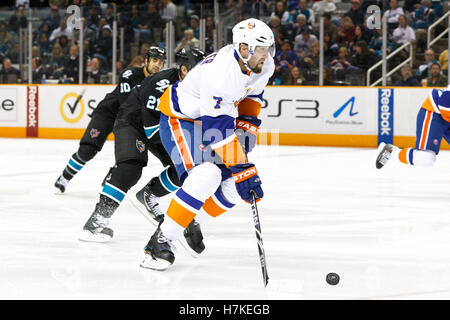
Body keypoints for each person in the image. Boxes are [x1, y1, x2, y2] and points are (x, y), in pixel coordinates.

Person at [140, 18, 274, 271]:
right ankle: (160, 241)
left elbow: (253, 94)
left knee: (236, 185)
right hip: (182, 119)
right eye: (261, 50)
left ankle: (185, 221)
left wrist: (247, 128)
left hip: (212, 121)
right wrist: (242, 166)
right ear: (244, 48)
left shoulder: (262, 65)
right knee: (207, 174)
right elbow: (217, 130)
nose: (266, 56)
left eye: (269, 49)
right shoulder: (220, 72)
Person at [79, 47, 207, 244]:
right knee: (130, 167)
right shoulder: (162, 84)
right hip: (132, 122)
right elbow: (151, 129)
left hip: (161, 127)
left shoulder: (197, 87)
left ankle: (149, 194)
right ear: (183, 69)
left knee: (185, 170)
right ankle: (96, 222)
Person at [54, 47, 166, 194]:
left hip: (130, 120)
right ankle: (65, 176)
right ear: (146, 61)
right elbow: (126, 103)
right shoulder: (130, 74)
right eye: (154, 60)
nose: (157, 65)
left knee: (129, 154)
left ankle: (113, 172)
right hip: (108, 114)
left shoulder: (160, 83)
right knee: (88, 149)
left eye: (161, 62)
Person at [376, 85, 450, 170]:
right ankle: (391, 152)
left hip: (446, 116)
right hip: (434, 113)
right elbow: (444, 103)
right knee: (426, 158)